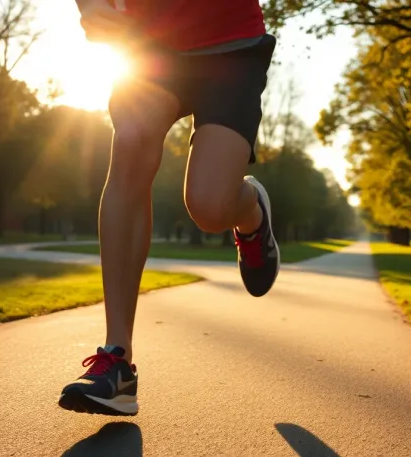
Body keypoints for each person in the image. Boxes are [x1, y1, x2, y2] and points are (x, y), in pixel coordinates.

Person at [58, 0, 280, 416]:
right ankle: (117, 361)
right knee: (131, 142)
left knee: (210, 208)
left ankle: (249, 208)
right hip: (147, 41)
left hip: (230, 43)